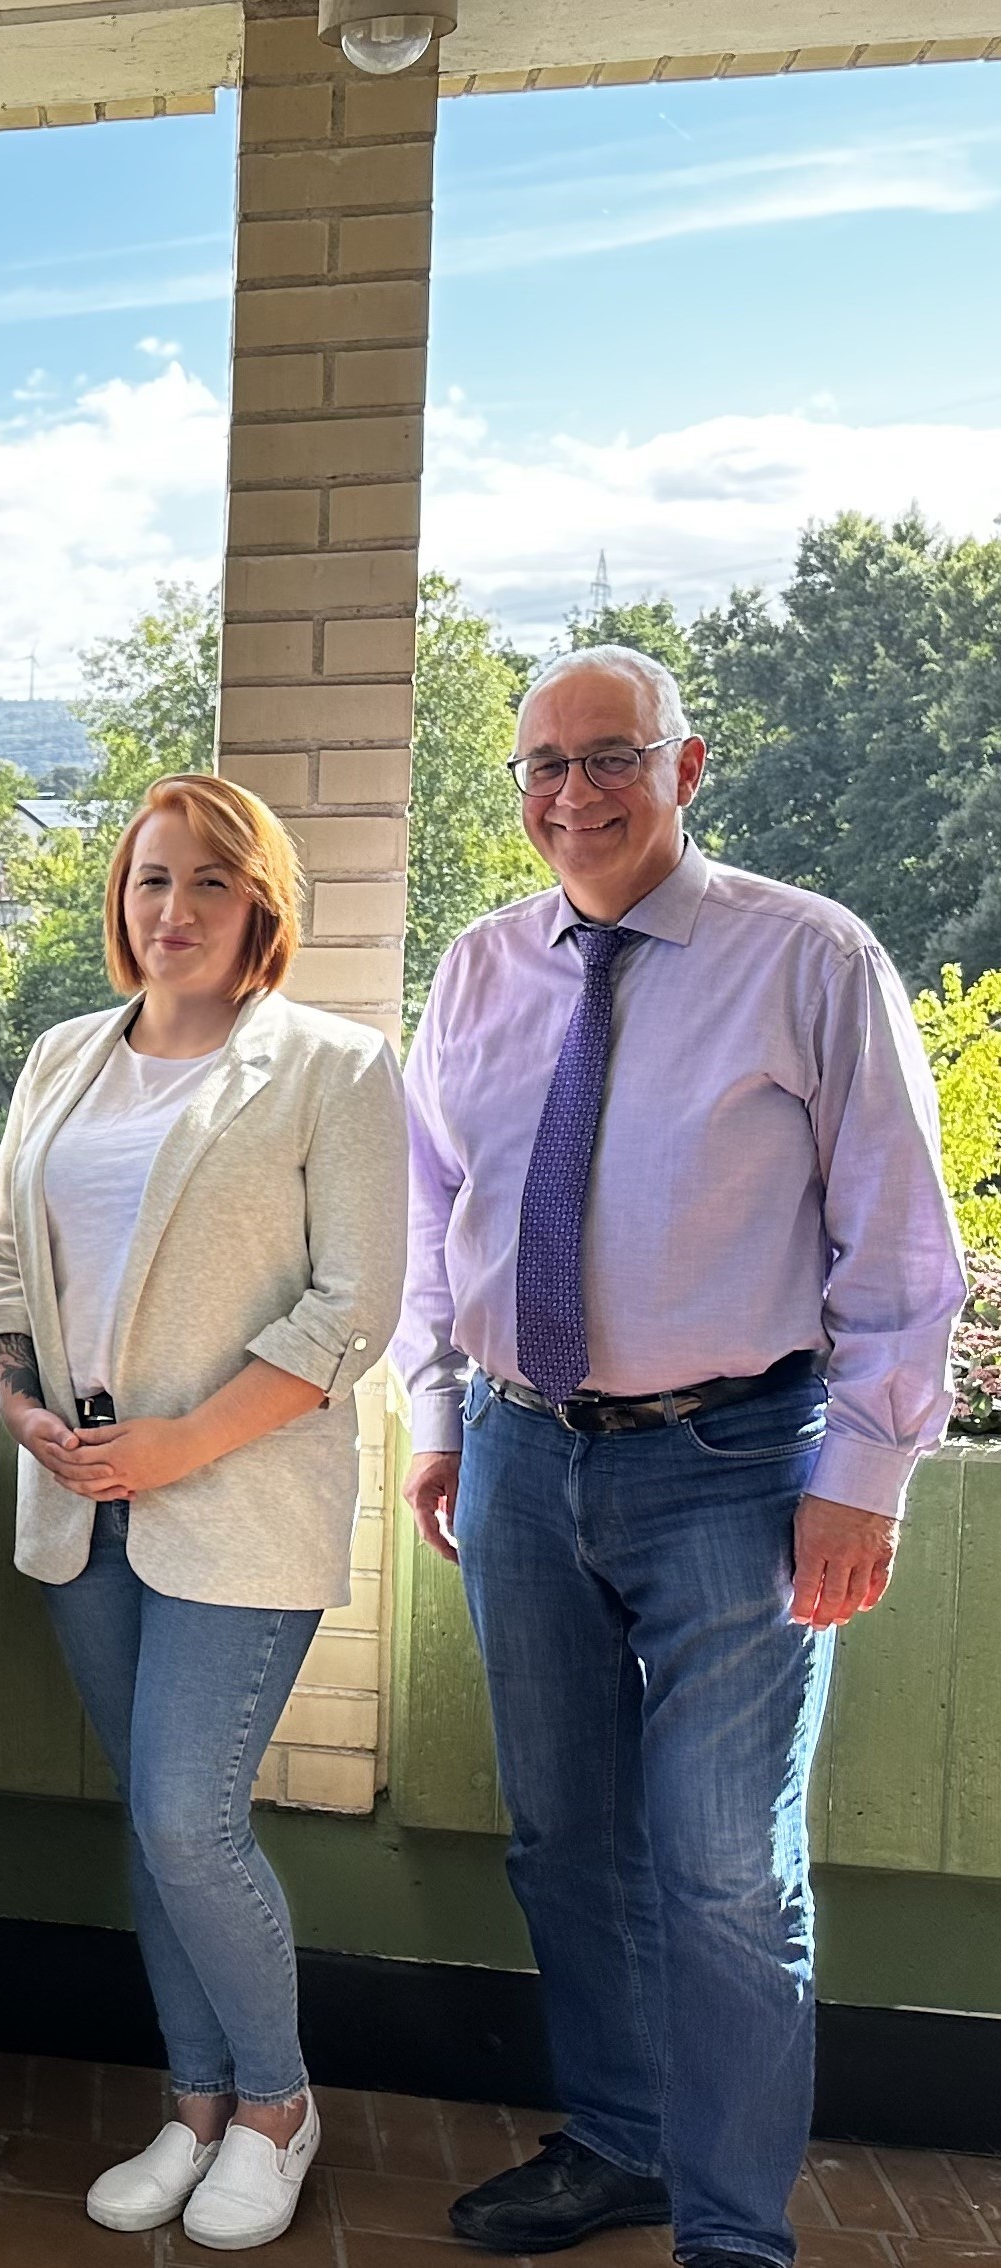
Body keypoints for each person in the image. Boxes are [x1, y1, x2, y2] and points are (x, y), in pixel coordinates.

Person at [394, 647, 961, 2268]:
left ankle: (728, 2233)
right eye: (539, 766)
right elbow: (436, 1214)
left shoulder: (808, 957)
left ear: (686, 764)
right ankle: (619, 2143)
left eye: (607, 756)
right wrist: (440, 1420)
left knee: (719, 1870)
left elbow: (900, 1247)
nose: (569, 793)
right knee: (559, 1837)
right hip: (515, 1455)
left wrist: (865, 1469)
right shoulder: (481, 966)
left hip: (733, 1466)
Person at [0, 775, 406, 2251]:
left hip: (241, 1506)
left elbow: (357, 1309)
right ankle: (195, 2104)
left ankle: (279, 2107)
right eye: (152, 882)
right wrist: (24, 1407)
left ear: (261, 905)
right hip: (82, 1510)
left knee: (184, 1815)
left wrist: (183, 1443)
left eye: (209, 883)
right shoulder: (61, 1060)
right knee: (156, 1830)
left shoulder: (334, 1068)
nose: (175, 913)